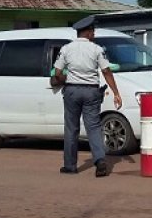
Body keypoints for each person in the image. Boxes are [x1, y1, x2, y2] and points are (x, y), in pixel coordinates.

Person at [50, 15, 122, 177]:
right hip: (91, 91)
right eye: (93, 31)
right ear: (87, 33)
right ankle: (100, 160)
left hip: (72, 91)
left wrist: (64, 81)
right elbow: (106, 71)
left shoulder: (66, 49)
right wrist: (116, 93)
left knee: (71, 128)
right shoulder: (97, 49)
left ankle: (70, 166)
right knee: (93, 127)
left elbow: (58, 72)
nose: (94, 34)